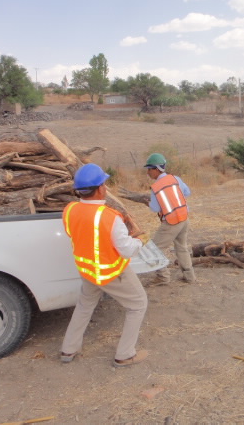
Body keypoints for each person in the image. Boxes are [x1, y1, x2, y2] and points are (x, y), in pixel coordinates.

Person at [60, 163, 150, 367]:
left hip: (87, 270)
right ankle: (125, 354)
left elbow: (76, 235)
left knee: (84, 305)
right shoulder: (110, 217)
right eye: (104, 184)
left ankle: (68, 349)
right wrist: (138, 241)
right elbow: (126, 250)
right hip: (111, 272)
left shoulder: (70, 209)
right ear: (101, 189)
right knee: (138, 304)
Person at [144, 153, 196, 285]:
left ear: (156, 169)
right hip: (184, 218)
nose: (148, 172)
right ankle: (190, 277)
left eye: (149, 169)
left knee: (154, 249)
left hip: (171, 222)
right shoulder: (175, 179)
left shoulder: (156, 187)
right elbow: (187, 192)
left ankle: (163, 277)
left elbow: (155, 208)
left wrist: (147, 202)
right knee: (181, 247)